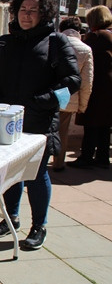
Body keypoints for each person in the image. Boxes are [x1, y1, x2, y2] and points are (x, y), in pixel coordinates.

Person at [0, 0, 80, 250]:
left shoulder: (56, 42)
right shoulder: (4, 43)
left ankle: (39, 225)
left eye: (33, 11)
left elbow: (71, 82)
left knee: (36, 174)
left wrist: (40, 101)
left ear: (43, 14)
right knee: (11, 173)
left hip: (39, 122)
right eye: (23, 10)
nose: (27, 15)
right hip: (7, 121)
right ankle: (11, 218)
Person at [67, 5, 112, 170]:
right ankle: (102, 157)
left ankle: (86, 156)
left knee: (92, 123)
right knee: (105, 125)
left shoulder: (95, 37)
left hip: (97, 87)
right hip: (108, 87)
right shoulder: (109, 35)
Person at [52, 16, 93, 171]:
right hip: (69, 97)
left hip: (49, 94)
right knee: (62, 132)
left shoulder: (52, 43)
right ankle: (58, 163)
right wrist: (83, 105)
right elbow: (87, 81)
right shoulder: (85, 49)